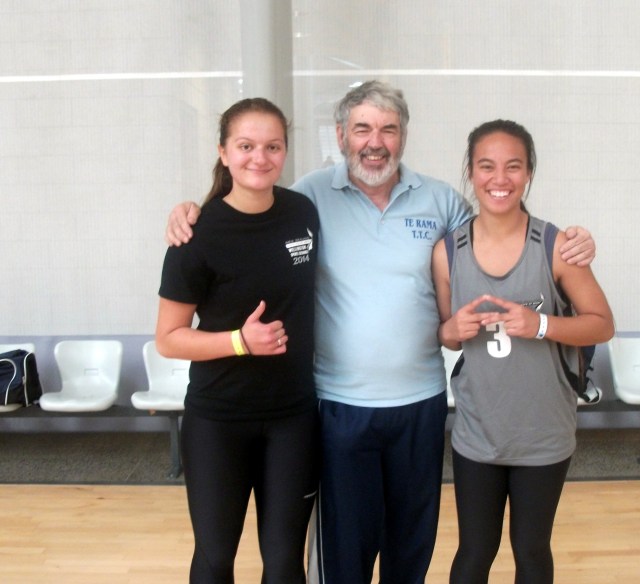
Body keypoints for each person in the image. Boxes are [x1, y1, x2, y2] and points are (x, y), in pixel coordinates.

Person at [165, 81, 597, 584]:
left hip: (421, 403)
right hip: (338, 406)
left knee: (409, 545)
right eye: (363, 128)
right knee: (343, 553)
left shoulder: (441, 201)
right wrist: (191, 211)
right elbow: (249, 202)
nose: (375, 142)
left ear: (403, 136)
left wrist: (574, 240)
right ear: (341, 135)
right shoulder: (307, 198)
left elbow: (499, 228)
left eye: (388, 129)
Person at [432, 119, 614, 584]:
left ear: (529, 172)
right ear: (470, 172)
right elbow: (448, 335)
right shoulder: (448, 252)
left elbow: (602, 323)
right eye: (486, 166)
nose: (500, 178)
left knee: (531, 549)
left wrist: (542, 324)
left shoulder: (556, 246)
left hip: (543, 433)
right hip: (479, 431)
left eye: (513, 166)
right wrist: (452, 328)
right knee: (475, 550)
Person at [155, 97, 320, 584]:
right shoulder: (196, 236)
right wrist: (240, 342)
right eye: (246, 146)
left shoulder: (302, 213)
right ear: (224, 152)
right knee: (215, 559)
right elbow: (168, 339)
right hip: (217, 420)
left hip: (293, 417)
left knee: (285, 563)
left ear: (285, 151)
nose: (259, 158)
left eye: (272, 146)